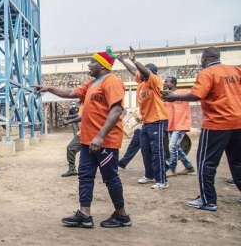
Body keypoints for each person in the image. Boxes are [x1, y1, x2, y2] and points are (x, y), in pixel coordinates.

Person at [36, 50, 131, 228]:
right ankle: (84, 214)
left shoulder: (112, 82)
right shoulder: (92, 83)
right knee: (85, 176)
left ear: (103, 65)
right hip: (87, 141)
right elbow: (71, 92)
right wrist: (49, 88)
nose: (89, 64)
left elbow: (117, 110)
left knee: (110, 178)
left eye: (92, 62)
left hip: (105, 142)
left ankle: (122, 215)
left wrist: (101, 136)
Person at [163, 47, 241, 211]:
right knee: (237, 162)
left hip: (217, 123)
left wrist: (174, 97)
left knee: (206, 163)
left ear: (204, 58)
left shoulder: (207, 73)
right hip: (238, 122)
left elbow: (198, 94)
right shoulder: (234, 70)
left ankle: (208, 200)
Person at [118, 47, 169, 190]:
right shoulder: (142, 82)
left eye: (143, 71)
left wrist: (134, 60)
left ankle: (162, 180)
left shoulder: (155, 81)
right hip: (147, 122)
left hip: (157, 120)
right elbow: (133, 71)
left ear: (150, 73)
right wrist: (123, 61)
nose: (139, 73)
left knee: (157, 151)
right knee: (145, 150)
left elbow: (142, 71)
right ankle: (149, 175)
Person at [163, 77, 195, 177]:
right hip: (171, 125)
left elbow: (195, 93)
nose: (164, 83)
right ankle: (189, 167)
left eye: (166, 82)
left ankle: (172, 169)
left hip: (181, 124)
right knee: (176, 147)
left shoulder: (183, 92)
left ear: (173, 84)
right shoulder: (165, 97)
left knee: (172, 146)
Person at [61, 103, 82, 177]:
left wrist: (68, 121)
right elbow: (79, 115)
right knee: (71, 148)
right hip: (83, 132)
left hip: (89, 132)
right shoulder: (83, 103)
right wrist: (69, 117)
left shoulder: (89, 100)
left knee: (71, 148)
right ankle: (72, 169)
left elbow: (83, 116)